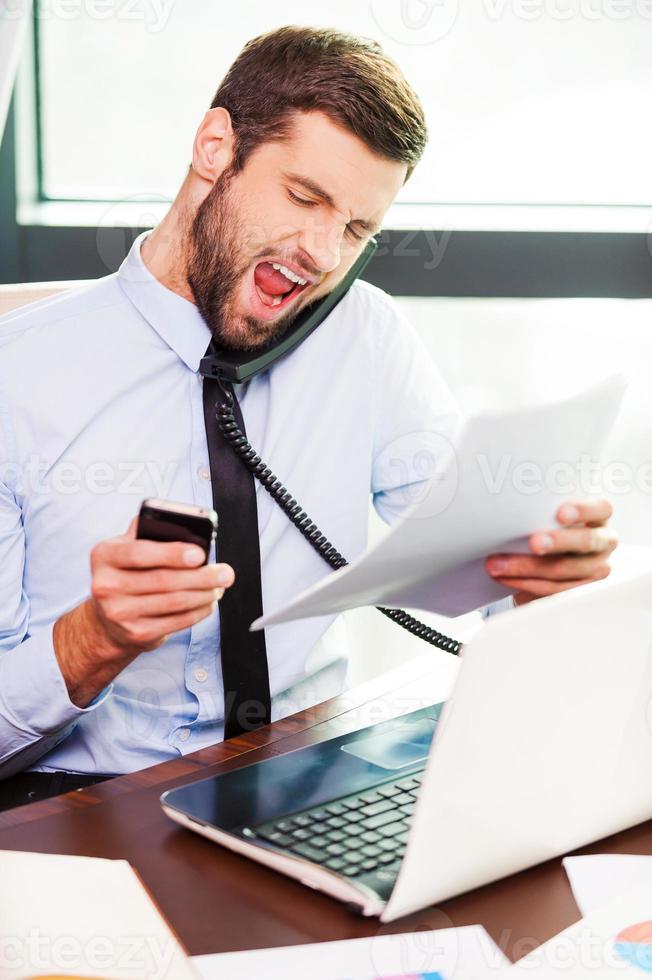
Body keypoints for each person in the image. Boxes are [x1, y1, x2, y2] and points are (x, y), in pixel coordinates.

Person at [0, 26, 616, 810]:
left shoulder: (365, 332)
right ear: (216, 147)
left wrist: (545, 577)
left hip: (311, 780)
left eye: (358, 229)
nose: (326, 253)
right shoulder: (14, 377)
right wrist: (94, 640)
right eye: (304, 198)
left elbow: (482, 562)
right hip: (87, 805)